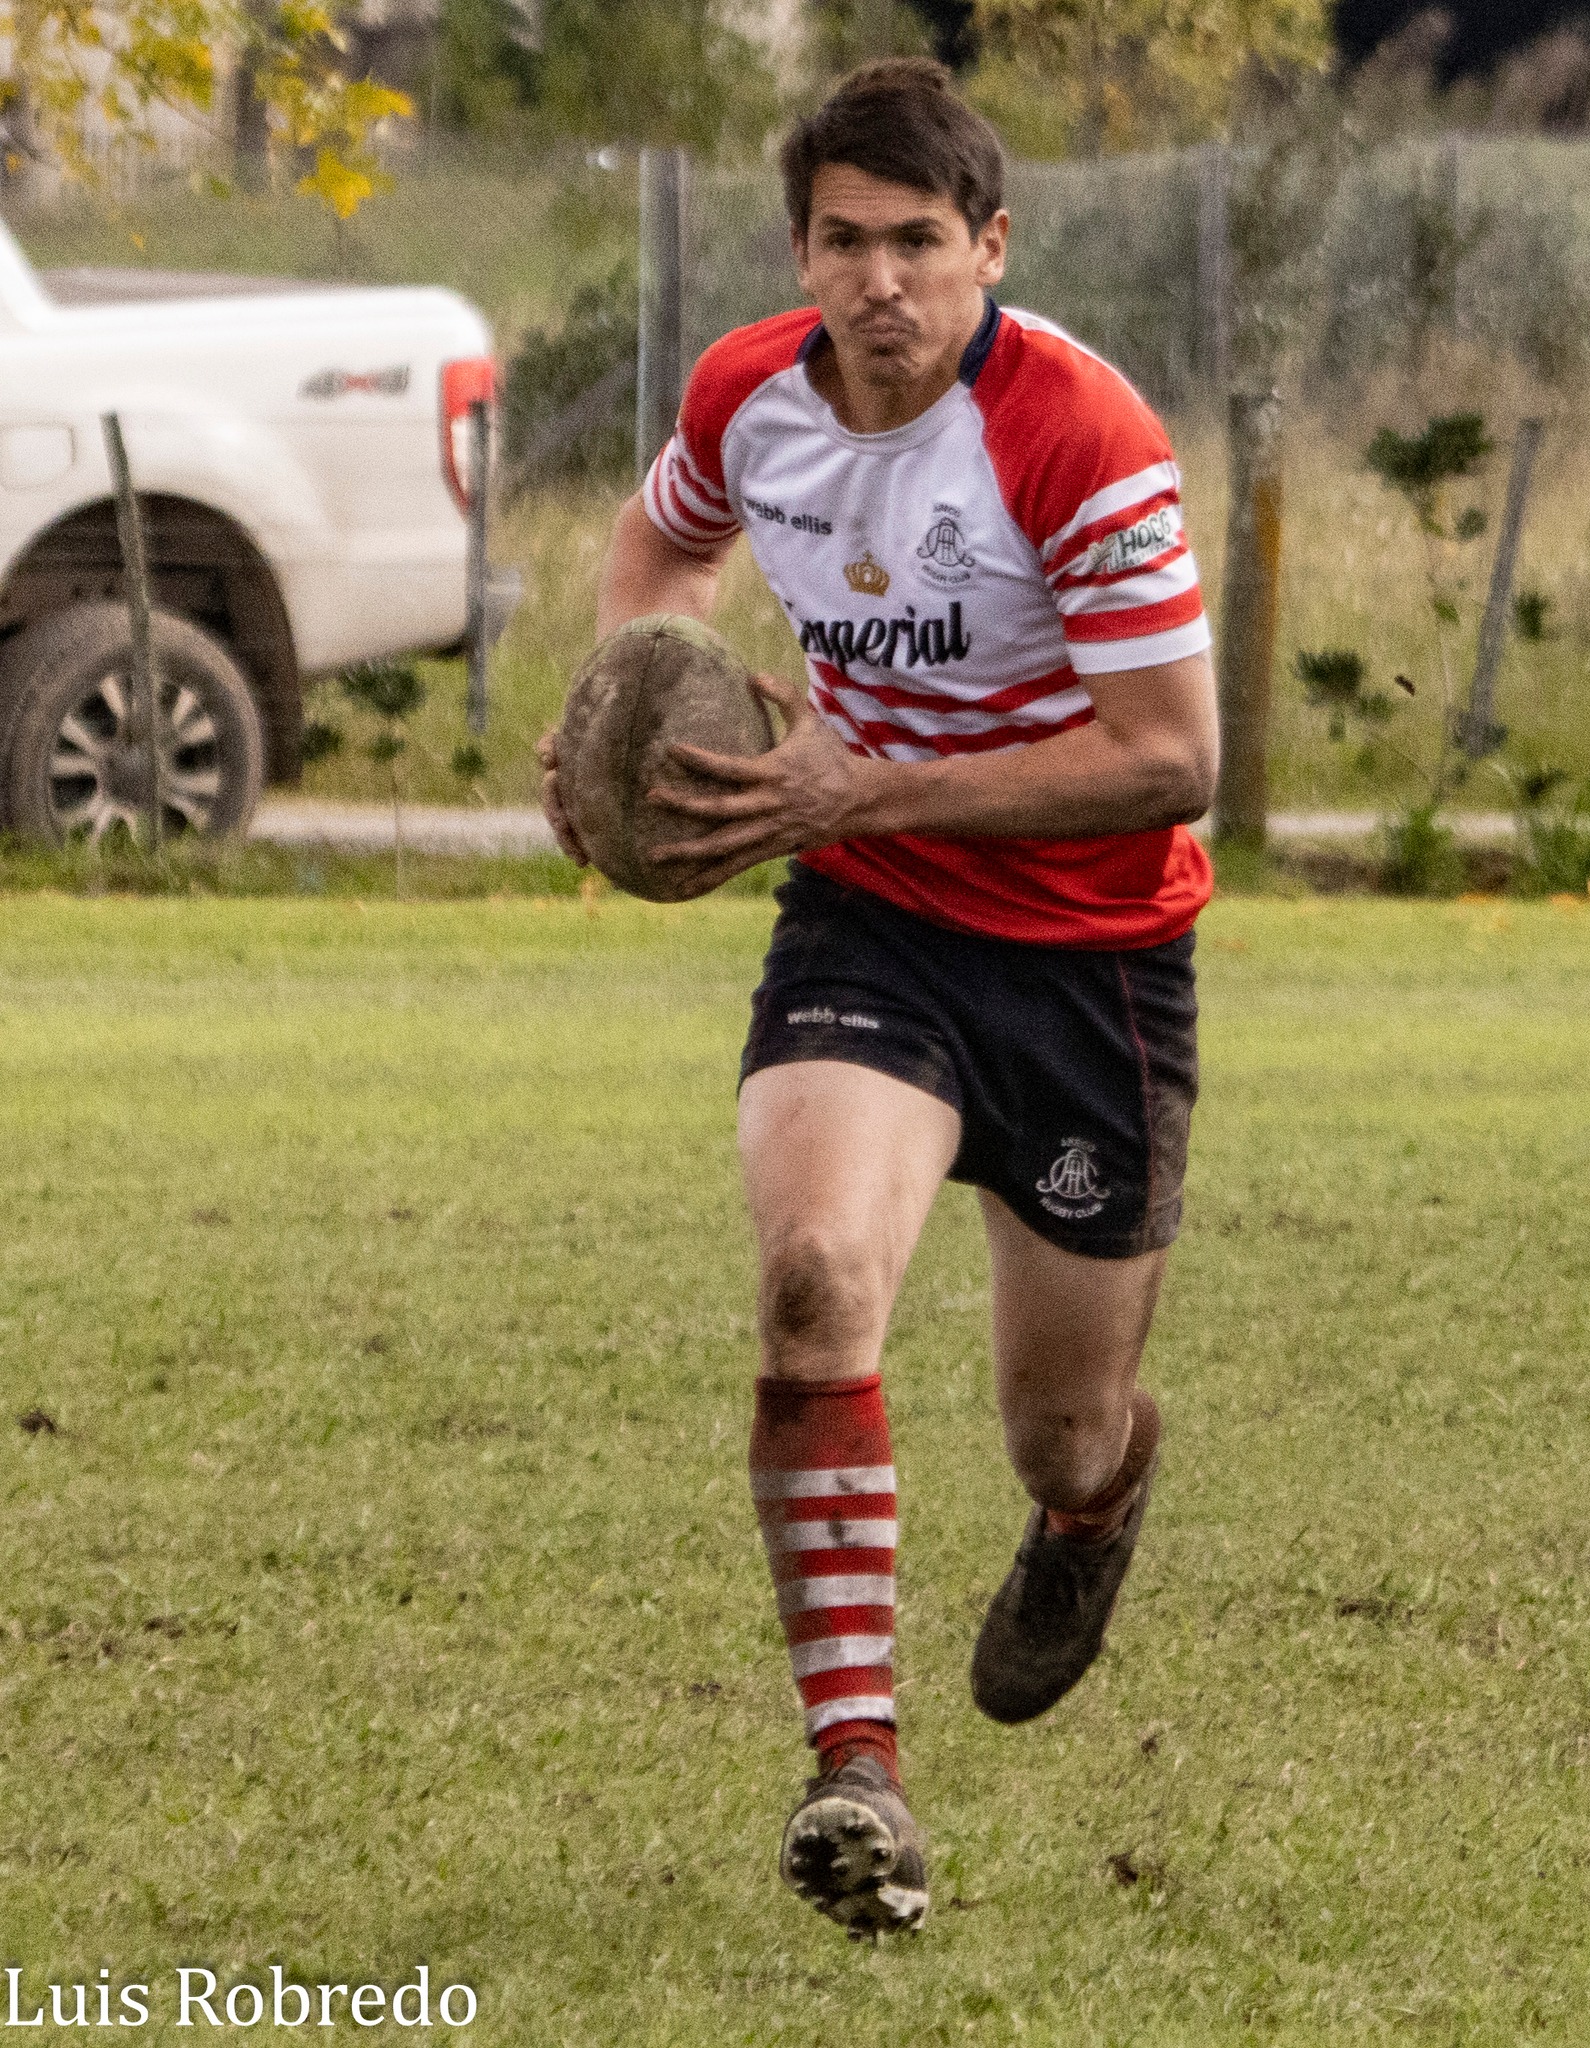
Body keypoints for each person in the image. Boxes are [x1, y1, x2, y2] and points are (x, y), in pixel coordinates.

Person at [539, 56, 1219, 1939]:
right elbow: (663, 535)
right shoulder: (748, 398)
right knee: (815, 1283)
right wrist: (629, 706)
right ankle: (858, 1774)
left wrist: (862, 779)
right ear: (800, 252)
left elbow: (1171, 759)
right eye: (843, 242)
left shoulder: (1081, 433)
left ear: (988, 247)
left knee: (1055, 1429)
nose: (879, 283)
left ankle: (1096, 1505)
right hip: (873, 921)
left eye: (920, 242)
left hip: (1093, 960)